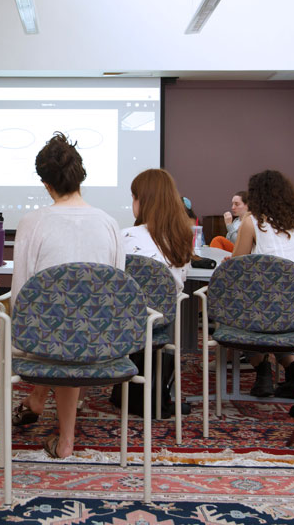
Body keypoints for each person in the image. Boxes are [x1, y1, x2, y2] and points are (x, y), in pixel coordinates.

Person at [11, 133, 125, 459]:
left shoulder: (32, 222)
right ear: (80, 177)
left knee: (62, 328)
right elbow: (117, 292)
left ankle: (65, 440)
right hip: (104, 341)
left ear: (47, 184)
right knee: (76, 324)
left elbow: (22, 295)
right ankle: (54, 420)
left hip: (45, 340)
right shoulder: (109, 223)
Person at [229, 169, 294, 398]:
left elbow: (236, 266)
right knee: (271, 315)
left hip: (269, 310)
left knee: (234, 310)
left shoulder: (252, 222)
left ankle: (263, 372)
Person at [120, 168, 194, 416]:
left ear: (143, 201)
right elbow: (179, 284)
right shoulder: (182, 239)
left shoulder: (125, 236)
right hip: (161, 323)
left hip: (123, 323)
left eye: (133, 198)